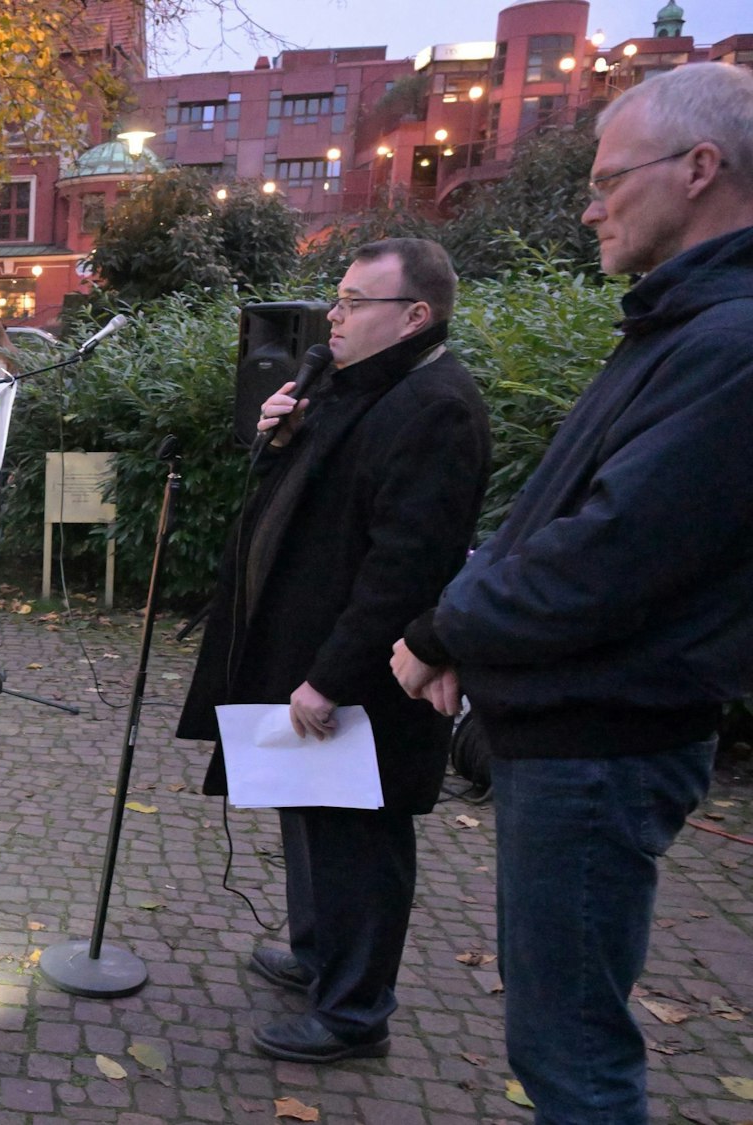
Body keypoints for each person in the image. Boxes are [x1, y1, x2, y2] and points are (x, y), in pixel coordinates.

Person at [390, 64, 753, 1122]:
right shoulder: (681, 328)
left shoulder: (729, 347)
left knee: (571, 1054)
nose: (588, 205)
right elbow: (556, 514)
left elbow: (605, 557)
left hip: (603, 739)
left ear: (697, 170)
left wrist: (439, 628)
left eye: (605, 180)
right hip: (576, 729)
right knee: (554, 1035)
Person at [173, 237, 491, 1064]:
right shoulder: (358, 388)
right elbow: (314, 506)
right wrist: (280, 442)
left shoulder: (437, 406)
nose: (334, 316)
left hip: (362, 675)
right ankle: (317, 951)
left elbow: (403, 570)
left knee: (361, 838)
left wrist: (328, 678)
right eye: (338, 297)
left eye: (355, 302)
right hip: (305, 646)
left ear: (414, 315)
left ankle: (355, 1012)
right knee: (306, 810)